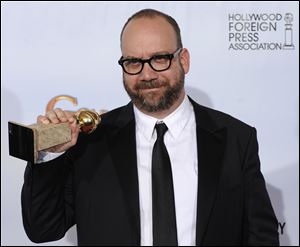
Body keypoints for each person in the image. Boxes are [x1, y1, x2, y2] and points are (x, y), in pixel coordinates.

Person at [21, 8, 279, 246]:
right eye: (134, 62)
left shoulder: (236, 139)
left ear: (184, 60)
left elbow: (261, 237)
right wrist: (50, 153)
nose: (146, 75)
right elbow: (43, 229)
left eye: (159, 59)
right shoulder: (91, 141)